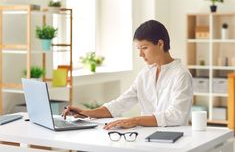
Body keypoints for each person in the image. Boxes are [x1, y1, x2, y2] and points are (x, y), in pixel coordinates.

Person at [62, 20, 193, 130]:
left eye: (144, 48)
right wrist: (85, 113)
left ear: (160, 44)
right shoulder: (145, 74)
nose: (140, 54)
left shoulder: (181, 75)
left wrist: (135, 120)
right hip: (146, 139)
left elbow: (177, 115)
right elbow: (120, 104)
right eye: (138, 49)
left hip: (175, 141)